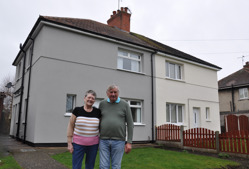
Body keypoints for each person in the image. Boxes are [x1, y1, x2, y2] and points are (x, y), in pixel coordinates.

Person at [99, 85, 134, 169]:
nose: (113, 94)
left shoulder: (124, 104)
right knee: (103, 166)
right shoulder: (102, 104)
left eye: (115, 92)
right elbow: (98, 121)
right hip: (103, 140)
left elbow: (130, 124)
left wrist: (129, 142)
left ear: (118, 93)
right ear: (107, 93)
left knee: (116, 166)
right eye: (111, 92)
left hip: (119, 141)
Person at [67, 90, 101, 169]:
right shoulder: (77, 110)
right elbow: (70, 126)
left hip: (93, 145)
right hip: (78, 144)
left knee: (90, 166)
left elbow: (101, 127)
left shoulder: (98, 112)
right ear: (84, 98)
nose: (90, 99)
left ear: (94, 101)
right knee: (76, 166)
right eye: (89, 97)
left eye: (93, 98)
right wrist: (69, 143)